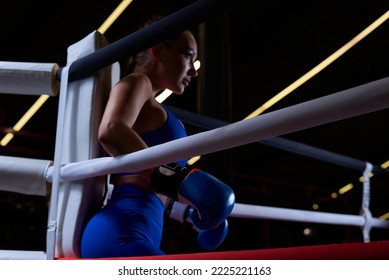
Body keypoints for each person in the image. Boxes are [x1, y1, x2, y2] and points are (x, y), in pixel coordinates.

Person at [80, 20, 234, 258]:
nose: (193, 70)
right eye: (187, 56)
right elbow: (111, 129)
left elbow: (154, 183)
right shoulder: (138, 82)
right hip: (121, 231)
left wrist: (190, 213)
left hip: (137, 226)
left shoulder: (153, 106)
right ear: (158, 49)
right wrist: (177, 180)